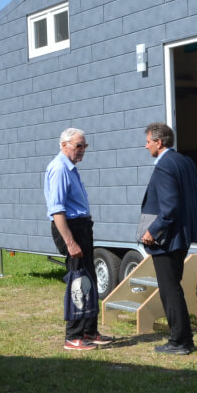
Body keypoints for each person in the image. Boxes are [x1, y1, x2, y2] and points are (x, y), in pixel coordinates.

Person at [139, 122, 197, 354]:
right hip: (181, 236)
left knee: (170, 290)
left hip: (167, 238)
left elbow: (169, 208)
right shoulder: (184, 161)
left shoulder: (164, 166)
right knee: (174, 287)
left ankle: (180, 341)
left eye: (148, 142)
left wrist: (153, 230)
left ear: (159, 142)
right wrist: (188, 216)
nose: (146, 146)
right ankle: (183, 338)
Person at [44, 127, 114, 350]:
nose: (83, 150)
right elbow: (57, 211)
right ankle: (73, 336)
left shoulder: (70, 168)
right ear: (64, 145)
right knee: (78, 281)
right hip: (71, 229)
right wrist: (70, 242)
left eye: (85, 146)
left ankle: (89, 331)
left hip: (82, 227)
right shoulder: (59, 168)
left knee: (89, 280)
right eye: (78, 146)